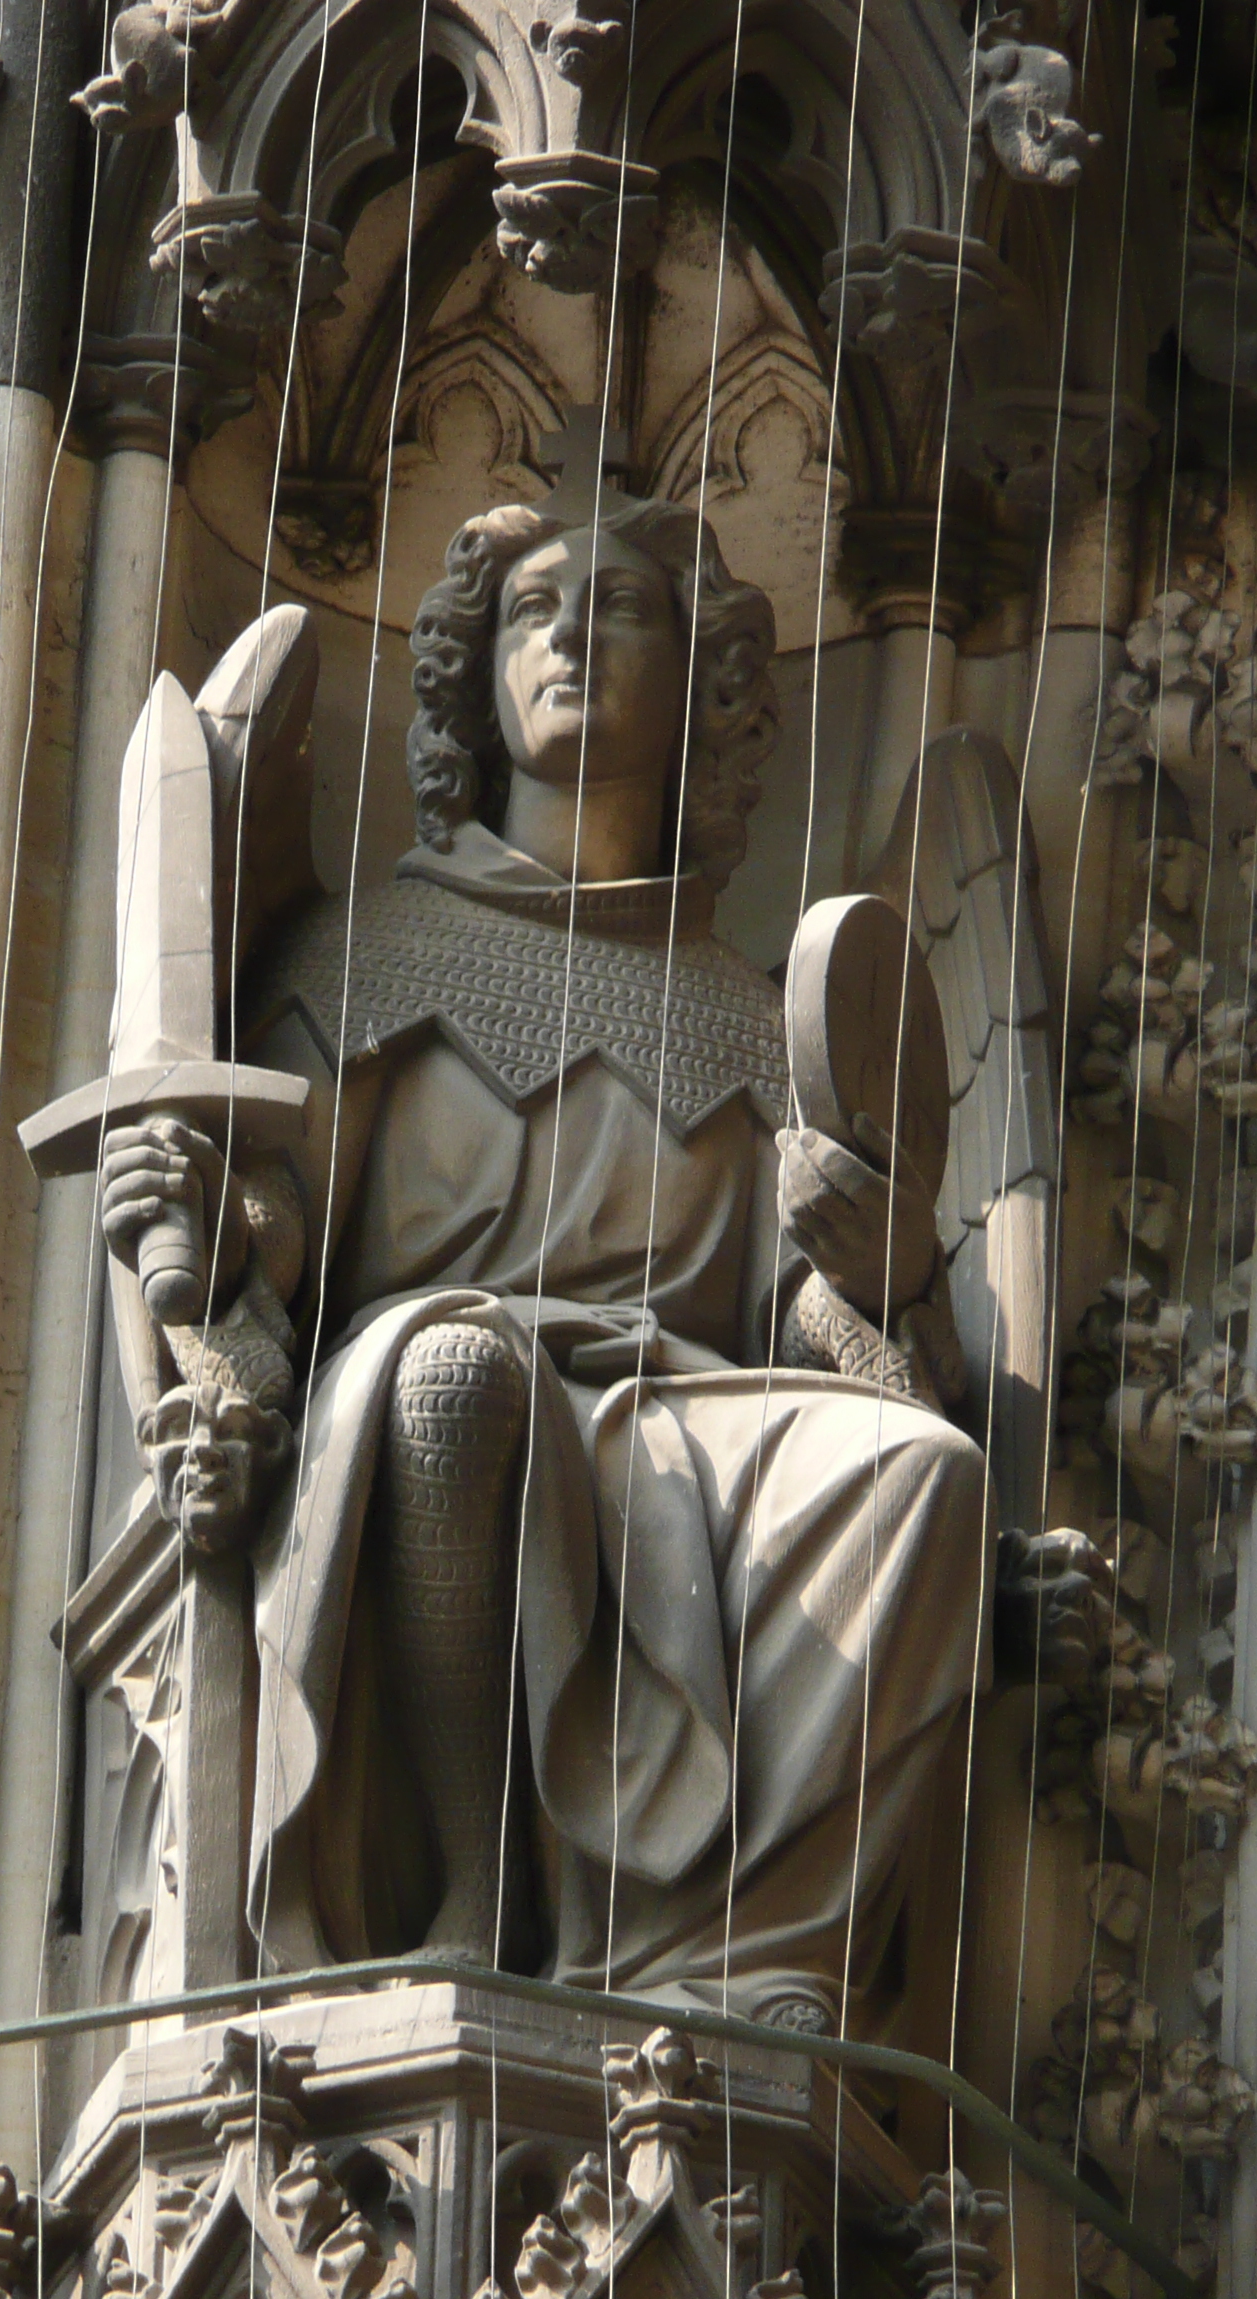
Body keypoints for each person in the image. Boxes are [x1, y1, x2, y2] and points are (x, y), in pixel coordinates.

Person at [97, 490, 988, 2032]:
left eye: (621, 606)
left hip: (686, 1430)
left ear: (704, 685)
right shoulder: (363, 956)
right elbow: (270, 1258)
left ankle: (738, 1968)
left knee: (926, 1477)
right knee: (452, 1369)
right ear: (473, 681)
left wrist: (884, 1281)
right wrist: (206, 1328)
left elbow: (815, 1324)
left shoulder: (750, 1009)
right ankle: (474, 1880)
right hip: (426, 1416)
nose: (572, 633)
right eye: (532, 611)